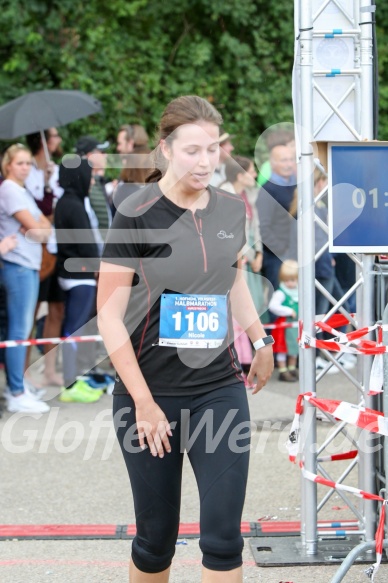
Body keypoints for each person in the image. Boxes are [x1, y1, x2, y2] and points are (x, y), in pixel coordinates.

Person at [97, 95, 274, 583]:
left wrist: (259, 341)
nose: (205, 160)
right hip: (150, 393)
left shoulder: (230, 209)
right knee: (156, 542)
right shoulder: (134, 213)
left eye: (213, 148)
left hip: (218, 388)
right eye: (193, 150)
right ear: (166, 150)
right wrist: (143, 403)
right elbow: (108, 317)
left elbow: (232, 279)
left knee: (223, 539)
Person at [0, 144, 52, 413]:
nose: (25, 168)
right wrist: (38, 228)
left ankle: (18, 386)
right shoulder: (9, 189)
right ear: (8, 164)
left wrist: (39, 228)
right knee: (19, 331)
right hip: (18, 265)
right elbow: (37, 228)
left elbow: (46, 230)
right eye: (19, 163)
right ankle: (16, 391)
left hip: (28, 265)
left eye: (28, 163)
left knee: (23, 330)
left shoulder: (23, 191)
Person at [55, 158, 103, 403]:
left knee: (73, 328)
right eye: (89, 175)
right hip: (80, 277)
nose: (92, 180)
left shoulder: (65, 202)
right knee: (74, 330)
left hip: (70, 274)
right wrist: (97, 265)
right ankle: (70, 384)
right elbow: (87, 245)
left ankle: (75, 379)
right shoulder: (74, 206)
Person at [25, 128, 65, 387]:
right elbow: (37, 212)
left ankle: (49, 370)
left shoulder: (57, 170)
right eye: (55, 136)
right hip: (35, 253)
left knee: (56, 310)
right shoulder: (26, 171)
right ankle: (24, 372)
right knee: (28, 315)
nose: (59, 140)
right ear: (43, 141)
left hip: (56, 249)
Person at [221, 155, 264, 381]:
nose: (255, 175)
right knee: (235, 312)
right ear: (240, 175)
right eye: (251, 171)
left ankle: (247, 360)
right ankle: (234, 362)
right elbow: (228, 234)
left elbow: (254, 228)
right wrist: (246, 255)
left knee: (251, 308)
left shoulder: (248, 196)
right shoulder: (222, 195)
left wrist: (259, 254)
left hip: (249, 259)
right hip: (234, 262)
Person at [256, 143, 296, 295]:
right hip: (277, 258)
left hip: (295, 255)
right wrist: (282, 251)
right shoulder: (267, 190)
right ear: (273, 163)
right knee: (279, 303)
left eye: (291, 160)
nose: (288, 164)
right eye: (284, 160)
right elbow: (263, 228)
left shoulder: (296, 186)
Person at [268, 259, 299, 382]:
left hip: (296, 327)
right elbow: (273, 305)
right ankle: (282, 370)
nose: (289, 283)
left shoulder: (299, 291)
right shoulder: (281, 293)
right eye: (286, 280)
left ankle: (292, 368)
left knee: (294, 348)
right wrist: (287, 311)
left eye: (292, 280)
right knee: (283, 348)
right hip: (285, 326)